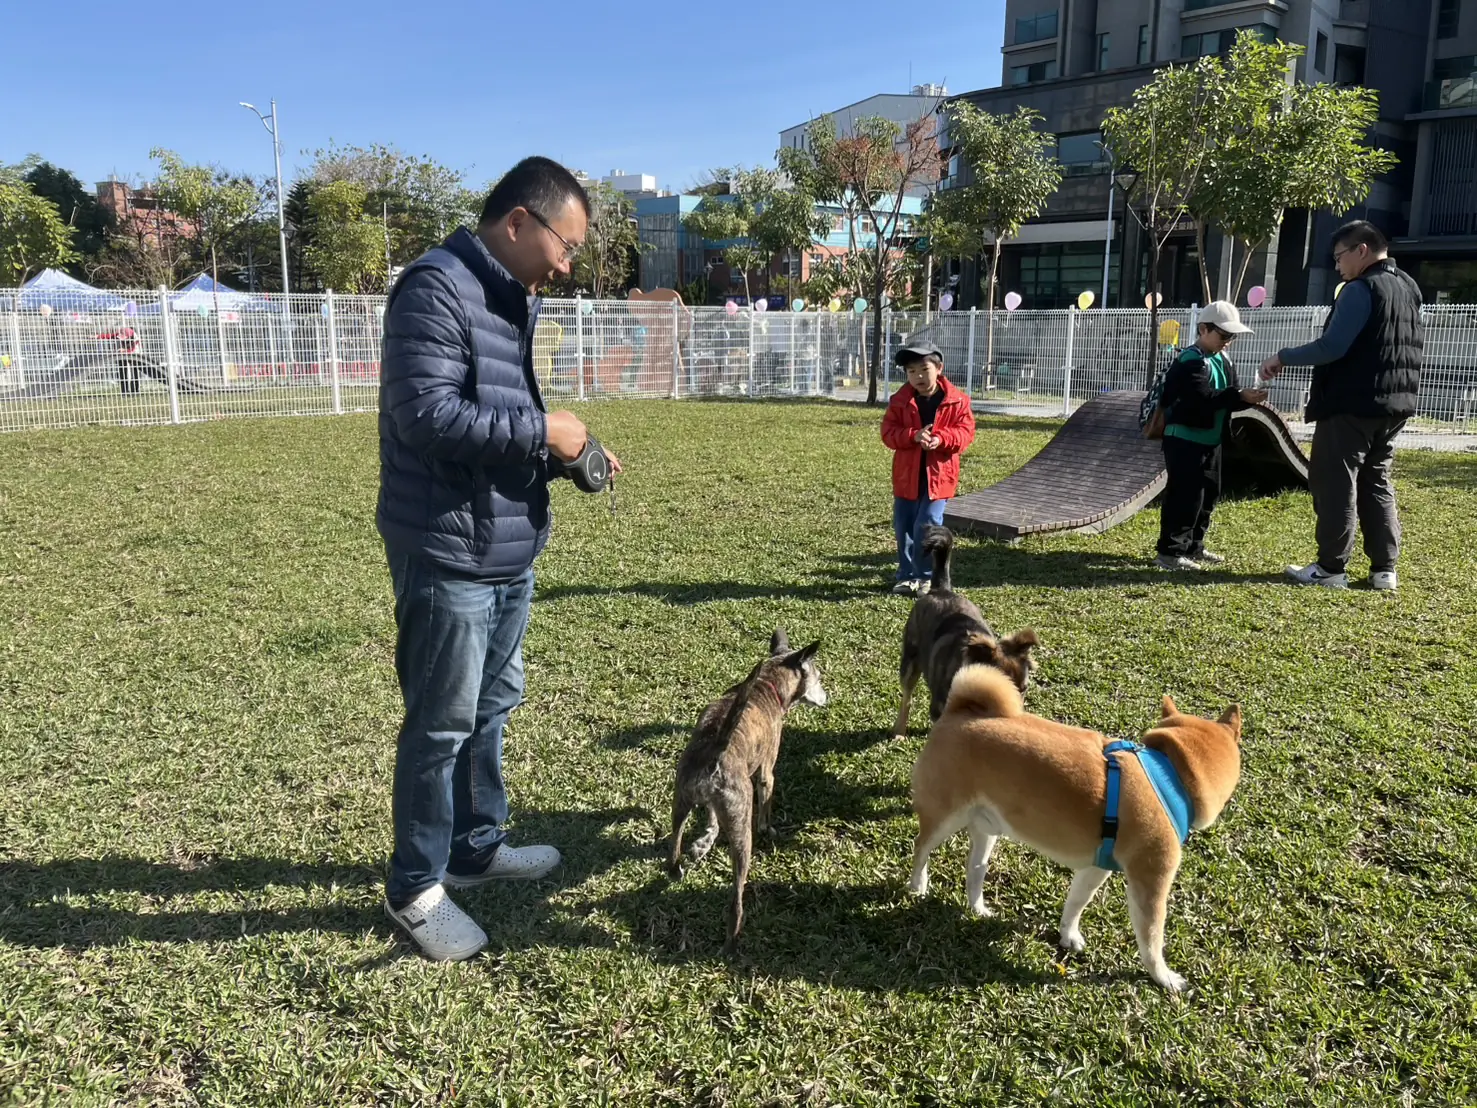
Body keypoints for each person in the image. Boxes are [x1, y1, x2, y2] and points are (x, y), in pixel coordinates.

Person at [377, 156, 621, 962]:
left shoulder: (510, 298)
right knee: (440, 724)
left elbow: (494, 415)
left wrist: (564, 451)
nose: (568, 261)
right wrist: (543, 433)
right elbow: (427, 416)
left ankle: (474, 849)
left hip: (506, 541)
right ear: (518, 222)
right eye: (567, 243)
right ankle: (415, 890)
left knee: (490, 707)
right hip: (447, 546)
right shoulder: (435, 287)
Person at [1261, 221, 1422, 591]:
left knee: (1336, 482)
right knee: (1376, 479)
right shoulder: (1408, 286)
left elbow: (1332, 347)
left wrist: (1282, 357)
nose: (1337, 266)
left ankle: (1331, 568)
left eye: (1339, 258)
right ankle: (1384, 570)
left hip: (1352, 402)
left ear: (1361, 250)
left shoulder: (1360, 288)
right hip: (1397, 402)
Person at [1154, 301, 1267, 571]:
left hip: (1211, 440)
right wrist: (1237, 396)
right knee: (1184, 495)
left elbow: (1228, 399)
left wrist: (1246, 399)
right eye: (1224, 335)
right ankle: (1170, 552)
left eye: (1232, 337)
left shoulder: (1223, 360)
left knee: (1208, 495)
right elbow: (1199, 399)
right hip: (1184, 438)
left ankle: (1194, 546)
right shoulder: (1189, 360)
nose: (1228, 342)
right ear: (1203, 329)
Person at [881, 341, 977, 595]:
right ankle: (906, 575)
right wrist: (912, 436)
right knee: (904, 525)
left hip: (940, 477)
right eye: (911, 371)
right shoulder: (900, 400)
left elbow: (965, 434)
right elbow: (888, 433)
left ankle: (925, 577)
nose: (918, 377)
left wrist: (940, 438)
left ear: (939, 368)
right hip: (906, 476)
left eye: (924, 369)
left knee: (928, 523)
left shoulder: (957, 402)